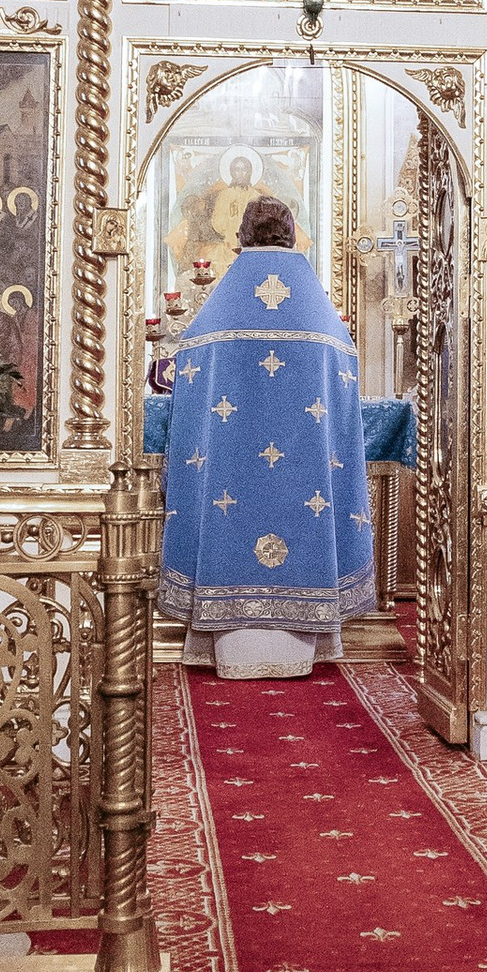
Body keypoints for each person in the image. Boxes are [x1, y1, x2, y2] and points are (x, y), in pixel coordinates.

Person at [156, 193, 374, 680]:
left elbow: (186, 363)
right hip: (304, 471)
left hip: (230, 470)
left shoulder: (224, 303)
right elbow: (344, 366)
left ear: (241, 237)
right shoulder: (314, 308)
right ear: (293, 233)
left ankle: (228, 644)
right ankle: (303, 646)